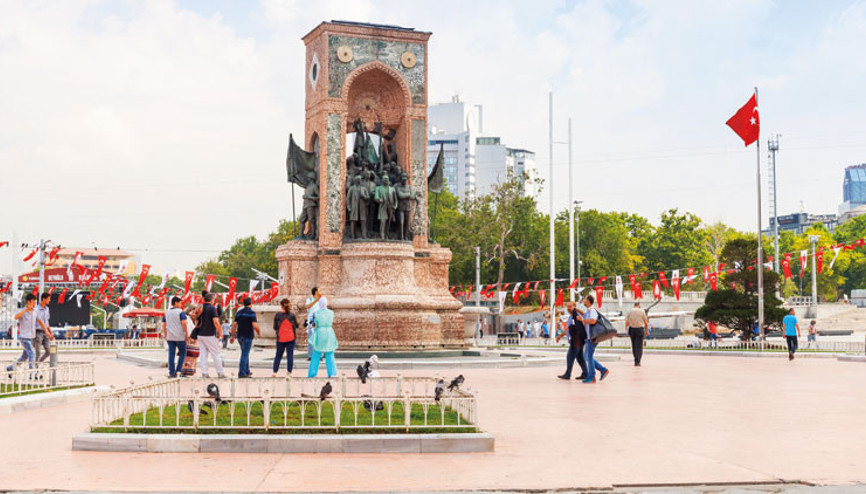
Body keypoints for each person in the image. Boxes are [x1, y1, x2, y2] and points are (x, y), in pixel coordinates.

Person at [576, 294, 609, 384]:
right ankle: (603, 370)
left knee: (588, 357)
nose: (583, 300)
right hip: (589, 337)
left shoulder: (592, 310)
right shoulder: (588, 310)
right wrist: (576, 309)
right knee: (587, 356)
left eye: (585, 299)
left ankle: (592, 377)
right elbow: (584, 314)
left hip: (592, 337)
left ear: (588, 301)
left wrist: (583, 320)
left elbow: (593, 320)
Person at [197, 293, 226, 378]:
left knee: (203, 355)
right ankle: (220, 373)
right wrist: (220, 332)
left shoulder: (200, 307)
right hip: (209, 334)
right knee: (215, 354)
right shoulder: (212, 308)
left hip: (200, 334)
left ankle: (204, 373)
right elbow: (216, 322)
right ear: (212, 300)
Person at [231, 296, 260, 378]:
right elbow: (255, 325)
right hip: (248, 336)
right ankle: (242, 373)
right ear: (251, 303)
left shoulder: (239, 313)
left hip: (240, 336)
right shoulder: (251, 313)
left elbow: (234, 325)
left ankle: (247, 371)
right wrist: (259, 332)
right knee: (244, 354)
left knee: (245, 353)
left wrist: (232, 336)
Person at [558, 301, 587, 380]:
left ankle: (568, 374)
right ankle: (585, 373)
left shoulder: (576, 316)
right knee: (580, 358)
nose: (568, 308)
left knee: (570, 356)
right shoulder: (572, 316)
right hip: (578, 341)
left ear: (574, 306)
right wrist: (561, 335)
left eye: (570, 306)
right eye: (567, 307)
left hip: (576, 341)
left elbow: (575, 328)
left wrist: (561, 335)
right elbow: (569, 328)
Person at [8, 294, 38, 371]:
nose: (34, 303)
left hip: (32, 337)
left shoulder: (35, 311)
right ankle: (33, 373)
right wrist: (26, 310)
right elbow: (16, 317)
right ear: (28, 302)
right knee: (32, 353)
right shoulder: (22, 311)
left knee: (24, 357)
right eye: (33, 302)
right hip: (24, 337)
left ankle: (10, 368)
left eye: (35, 302)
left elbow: (38, 321)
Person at [161, 296, 189, 378]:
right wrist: (186, 333)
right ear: (175, 303)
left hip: (170, 337)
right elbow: (184, 323)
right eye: (180, 302)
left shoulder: (167, 312)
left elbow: (163, 324)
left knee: (171, 354)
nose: (181, 304)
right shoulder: (180, 312)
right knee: (183, 353)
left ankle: (171, 372)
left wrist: (165, 334)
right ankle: (178, 371)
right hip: (180, 336)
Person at [307, 307, 338, 378]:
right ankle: (332, 373)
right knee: (330, 353)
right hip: (329, 333)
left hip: (320, 333)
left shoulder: (316, 313)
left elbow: (313, 324)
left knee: (316, 354)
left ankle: (312, 374)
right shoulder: (331, 312)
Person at [273, 298, 300, 377]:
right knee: (290, 355)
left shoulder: (278, 315)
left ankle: (275, 371)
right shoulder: (292, 315)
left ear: (281, 306)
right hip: (290, 338)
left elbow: (275, 327)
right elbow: (296, 325)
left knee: (278, 355)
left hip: (281, 338)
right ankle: (289, 372)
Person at [305, 287, 328, 359]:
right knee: (311, 338)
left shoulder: (321, 301)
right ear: (315, 292)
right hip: (312, 321)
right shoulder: (309, 300)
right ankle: (310, 355)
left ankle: (320, 355)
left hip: (319, 320)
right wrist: (316, 300)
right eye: (318, 291)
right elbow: (308, 306)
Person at [625, 302, 649, 366]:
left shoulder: (629, 311)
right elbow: (646, 322)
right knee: (639, 345)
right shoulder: (642, 311)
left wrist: (626, 329)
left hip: (632, 329)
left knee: (634, 344)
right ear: (639, 305)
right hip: (640, 329)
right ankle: (638, 360)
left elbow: (627, 322)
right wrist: (647, 330)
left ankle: (635, 358)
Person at [34, 293, 54, 363]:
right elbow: (40, 321)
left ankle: (38, 363)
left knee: (49, 351)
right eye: (48, 299)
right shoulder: (36, 309)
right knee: (38, 353)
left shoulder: (47, 309)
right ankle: (35, 370)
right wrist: (46, 331)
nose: (50, 300)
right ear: (43, 299)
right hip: (38, 332)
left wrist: (51, 332)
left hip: (45, 332)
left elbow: (46, 322)